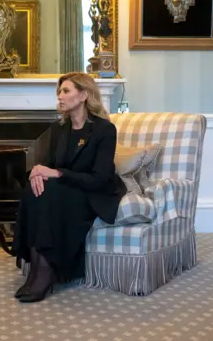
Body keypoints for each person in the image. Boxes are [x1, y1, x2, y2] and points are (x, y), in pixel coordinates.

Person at [11, 72, 127, 303]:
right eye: (59, 92)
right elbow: (48, 165)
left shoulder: (104, 130)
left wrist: (56, 174)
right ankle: (36, 270)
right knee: (34, 189)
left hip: (92, 193)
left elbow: (100, 179)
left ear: (84, 95)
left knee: (49, 190)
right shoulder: (59, 128)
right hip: (64, 190)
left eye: (66, 91)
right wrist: (36, 172)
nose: (60, 97)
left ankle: (44, 273)